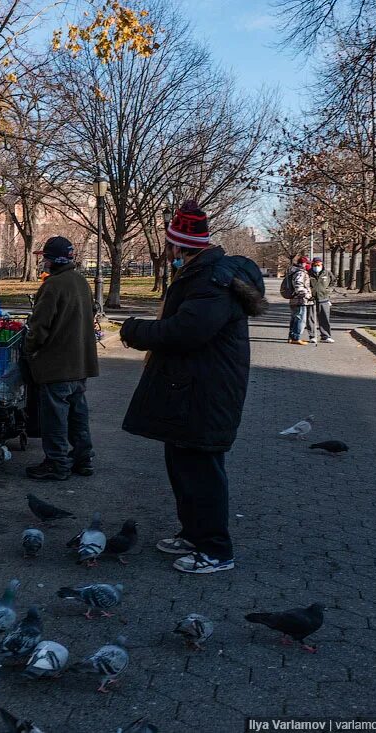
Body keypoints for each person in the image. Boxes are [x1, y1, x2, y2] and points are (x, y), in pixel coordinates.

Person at [119, 200, 267, 575]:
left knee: (201, 471)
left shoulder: (211, 280)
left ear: (177, 245)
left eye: (168, 246)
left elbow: (187, 331)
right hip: (189, 389)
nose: (167, 253)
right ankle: (193, 533)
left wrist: (135, 331)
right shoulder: (202, 274)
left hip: (206, 392)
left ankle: (216, 550)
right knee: (183, 465)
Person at [21, 236, 99, 481]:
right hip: (80, 362)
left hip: (57, 363)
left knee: (54, 416)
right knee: (78, 413)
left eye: (45, 257)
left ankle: (57, 463)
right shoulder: (80, 281)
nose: (43, 262)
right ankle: (82, 459)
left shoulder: (53, 285)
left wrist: (29, 348)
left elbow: (40, 326)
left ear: (53, 260)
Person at [284, 256, 313, 345]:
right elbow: (298, 285)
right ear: (304, 264)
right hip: (300, 299)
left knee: (295, 318)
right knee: (300, 319)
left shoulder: (294, 272)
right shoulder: (300, 273)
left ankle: (291, 337)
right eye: (308, 263)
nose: (309, 266)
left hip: (294, 299)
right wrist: (307, 295)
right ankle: (296, 337)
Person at [308, 257, 335, 344]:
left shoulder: (327, 273)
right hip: (311, 299)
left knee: (324, 318)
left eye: (318, 265)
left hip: (324, 298)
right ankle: (312, 336)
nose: (317, 266)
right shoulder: (308, 274)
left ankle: (325, 336)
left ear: (322, 264)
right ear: (312, 265)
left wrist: (328, 290)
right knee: (311, 318)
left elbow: (333, 282)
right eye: (315, 265)